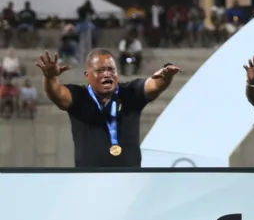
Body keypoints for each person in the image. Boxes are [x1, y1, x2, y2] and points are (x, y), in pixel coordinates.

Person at [36, 49, 181, 167]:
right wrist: (49, 78)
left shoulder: (130, 92)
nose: (107, 74)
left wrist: (165, 77)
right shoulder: (80, 96)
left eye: (111, 69)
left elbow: (153, 85)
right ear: (87, 75)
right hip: (89, 182)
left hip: (130, 182)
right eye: (100, 70)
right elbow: (57, 94)